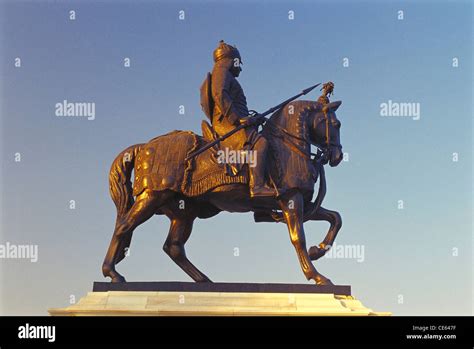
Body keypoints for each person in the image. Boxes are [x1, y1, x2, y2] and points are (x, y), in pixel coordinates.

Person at [200, 40, 276, 197]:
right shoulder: (222, 72)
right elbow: (220, 95)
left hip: (232, 121)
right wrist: (238, 119)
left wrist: (251, 119)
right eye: (238, 62)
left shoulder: (223, 74)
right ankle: (257, 186)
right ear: (231, 60)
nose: (240, 67)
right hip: (228, 124)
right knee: (260, 143)